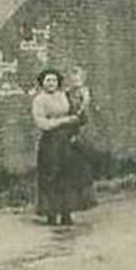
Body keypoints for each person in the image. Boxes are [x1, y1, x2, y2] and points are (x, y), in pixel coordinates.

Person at [32, 67, 90, 227]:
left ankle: (66, 213)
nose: (51, 83)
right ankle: (51, 213)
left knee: (68, 176)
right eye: (47, 80)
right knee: (51, 177)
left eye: (53, 80)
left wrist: (80, 113)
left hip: (66, 142)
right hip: (50, 143)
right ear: (42, 83)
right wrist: (63, 121)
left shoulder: (65, 96)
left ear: (58, 82)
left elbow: (76, 114)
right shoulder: (39, 100)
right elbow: (42, 123)